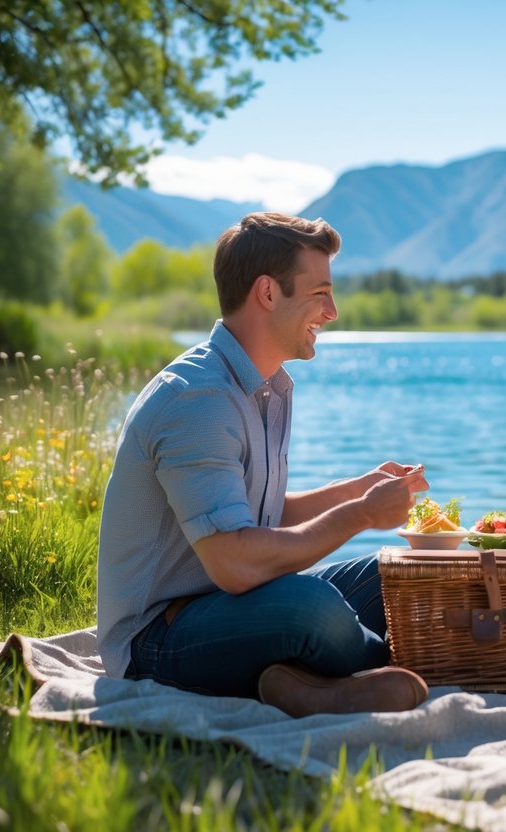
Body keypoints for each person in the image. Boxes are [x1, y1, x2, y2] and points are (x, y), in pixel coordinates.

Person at [97, 211, 430, 718]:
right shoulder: (199, 399)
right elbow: (236, 562)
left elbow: (260, 514)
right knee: (310, 608)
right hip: (157, 642)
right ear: (268, 293)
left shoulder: (265, 387)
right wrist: (361, 514)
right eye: (320, 293)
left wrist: (354, 490)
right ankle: (404, 665)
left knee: (394, 575)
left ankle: (311, 684)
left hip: (232, 608)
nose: (333, 311)